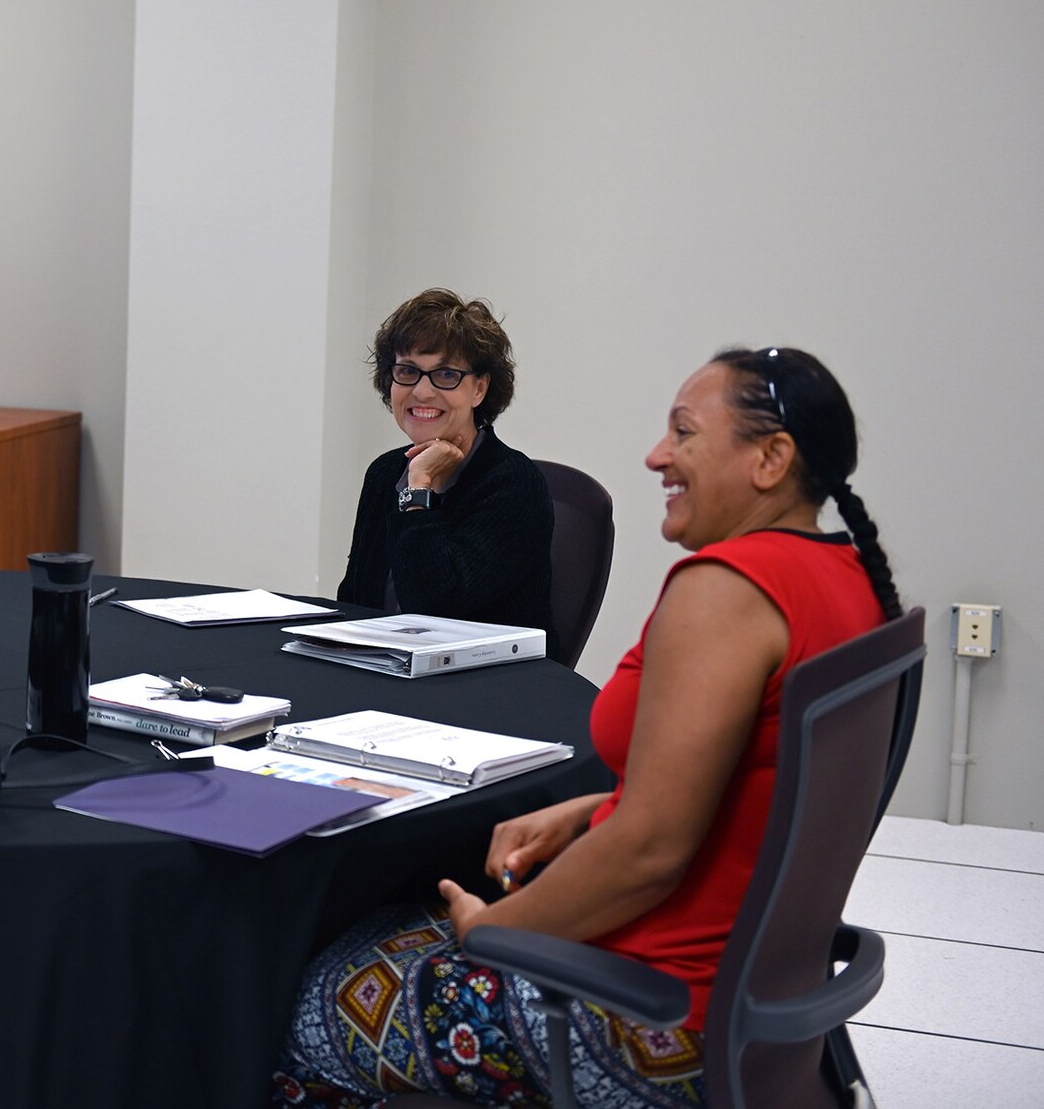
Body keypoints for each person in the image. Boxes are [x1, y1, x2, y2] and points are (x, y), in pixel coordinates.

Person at [279, 346, 901, 1108]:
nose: (655, 456)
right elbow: (751, 783)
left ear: (771, 459)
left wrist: (496, 929)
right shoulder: (848, 577)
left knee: (296, 997)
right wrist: (591, 809)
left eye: (683, 433)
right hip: (753, 1013)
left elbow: (649, 853)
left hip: (646, 1018)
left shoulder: (724, 593)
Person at [337, 289, 554, 649]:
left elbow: (437, 609)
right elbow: (354, 601)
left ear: (479, 389)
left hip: (480, 686)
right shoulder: (384, 473)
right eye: (408, 371)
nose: (421, 392)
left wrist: (419, 488)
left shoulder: (514, 483)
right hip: (382, 670)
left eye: (446, 375)